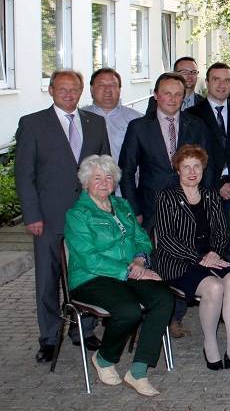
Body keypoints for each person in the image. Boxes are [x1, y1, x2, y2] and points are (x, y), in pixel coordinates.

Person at [15, 69, 111, 362]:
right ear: (51, 90)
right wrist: (32, 215)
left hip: (86, 218)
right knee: (48, 279)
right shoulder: (32, 124)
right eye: (62, 89)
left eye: (74, 89)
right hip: (47, 217)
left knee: (86, 273)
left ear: (82, 91)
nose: (69, 94)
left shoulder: (95, 123)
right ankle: (49, 337)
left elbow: (104, 168)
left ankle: (83, 330)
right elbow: (24, 175)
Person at [64, 154, 172, 396]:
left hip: (130, 272)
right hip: (90, 278)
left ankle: (139, 371)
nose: (104, 182)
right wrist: (129, 271)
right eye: (97, 178)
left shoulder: (122, 206)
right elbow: (88, 258)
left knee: (164, 298)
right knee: (129, 310)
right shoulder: (77, 214)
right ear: (86, 183)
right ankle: (104, 358)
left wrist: (139, 260)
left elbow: (141, 238)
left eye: (109, 177)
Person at [152, 145, 230, 375]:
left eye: (196, 166)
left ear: (203, 169)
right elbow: (165, 239)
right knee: (214, 287)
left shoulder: (210, 195)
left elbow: (221, 232)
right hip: (177, 261)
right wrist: (198, 258)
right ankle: (210, 343)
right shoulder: (166, 197)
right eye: (186, 167)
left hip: (211, 256)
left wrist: (215, 252)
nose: (192, 171)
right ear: (178, 170)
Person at [120, 72, 213, 233]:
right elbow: (126, 171)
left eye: (178, 94)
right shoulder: (138, 127)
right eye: (167, 93)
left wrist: (205, 204)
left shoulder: (197, 125)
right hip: (151, 209)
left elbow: (207, 167)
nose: (173, 99)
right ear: (156, 95)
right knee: (156, 256)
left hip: (191, 206)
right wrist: (135, 210)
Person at [186, 62, 230, 208]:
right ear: (207, 83)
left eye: (227, 80)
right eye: (216, 79)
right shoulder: (192, 114)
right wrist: (218, 184)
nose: (222, 85)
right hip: (205, 188)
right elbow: (191, 154)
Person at [82, 67, 142, 164]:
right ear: (91, 89)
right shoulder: (80, 118)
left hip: (127, 178)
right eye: (101, 85)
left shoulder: (136, 119)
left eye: (113, 85)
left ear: (119, 89)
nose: (107, 90)